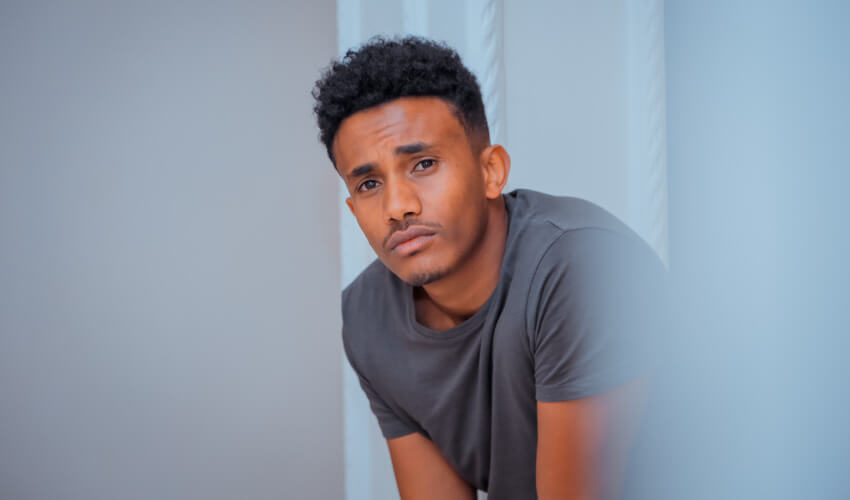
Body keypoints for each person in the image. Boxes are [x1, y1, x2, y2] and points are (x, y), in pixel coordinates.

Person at [312, 36, 668, 500]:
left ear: (492, 172)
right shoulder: (367, 314)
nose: (397, 207)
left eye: (423, 163)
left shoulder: (579, 266)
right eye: (369, 183)